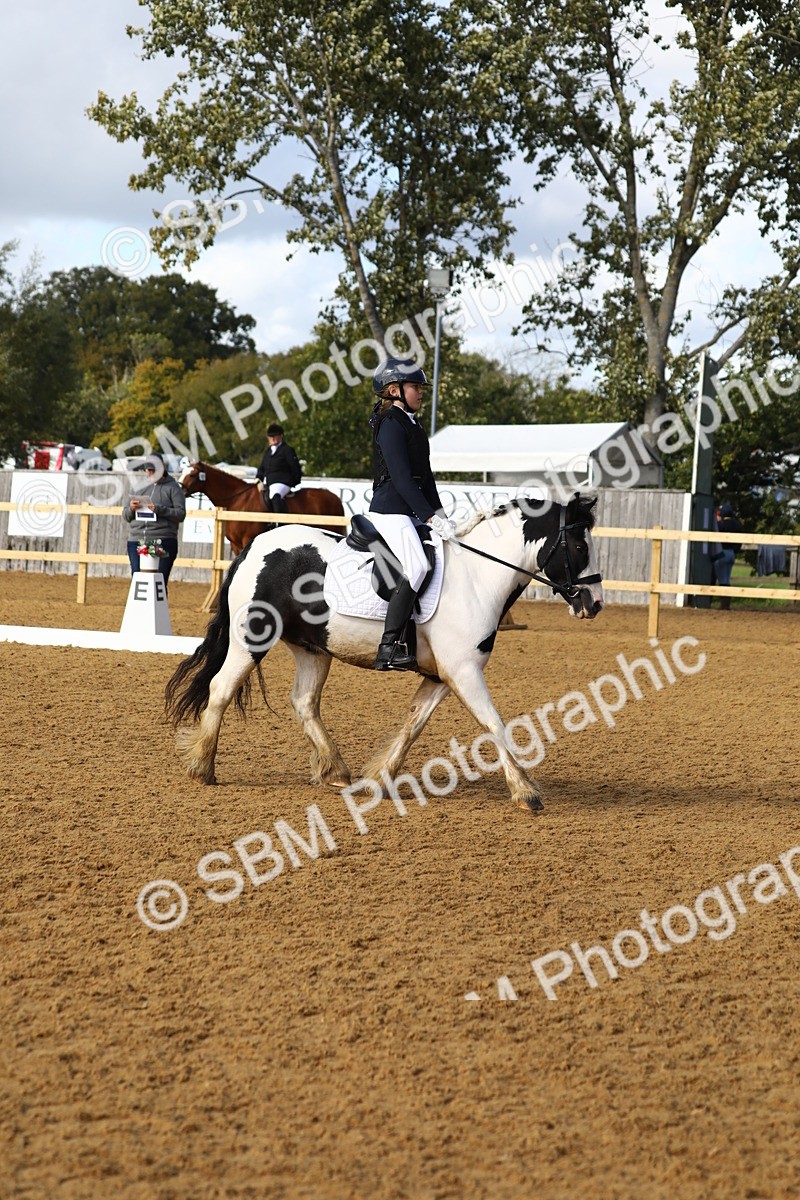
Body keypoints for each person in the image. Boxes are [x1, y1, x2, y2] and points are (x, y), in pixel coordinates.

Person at [367, 356, 455, 671]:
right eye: (415, 386)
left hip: (411, 512)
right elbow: (402, 480)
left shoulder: (413, 425)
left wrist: (441, 516)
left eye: (419, 386)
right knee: (417, 566)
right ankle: (388, 647)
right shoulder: (390, 423)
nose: (420, 391)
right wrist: (429, 517)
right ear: (394, 390)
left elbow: (426, 479)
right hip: (390, 510)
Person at [123, 452, 186, 591]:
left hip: (162, 540)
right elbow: (126, 515)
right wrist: (131, 509)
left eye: (153, 469)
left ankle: (160, 612)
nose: (149, 472)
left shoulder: (173, 488)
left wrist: (160, 510)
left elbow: (180, 514)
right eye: (148, 469)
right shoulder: (138, 487)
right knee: (138, 581)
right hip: (136, 540)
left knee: (159, 584)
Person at [256, 423, 302, 514]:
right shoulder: (268, 451)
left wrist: (293, 481)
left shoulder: (287, 450)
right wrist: (258, 478)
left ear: (281, 436)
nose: (272, 438)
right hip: (268, 482)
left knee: (275, 495)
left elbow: (295, 468)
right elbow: (262, 467)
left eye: (275, 436)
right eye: (270, 436)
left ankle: (279, 523)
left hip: (282, 482)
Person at [712, 501, 744, 610]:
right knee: (726, 578)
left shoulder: (722, 525)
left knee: (722, 579)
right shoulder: (737, 524)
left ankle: (724, 604)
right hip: (732, 553)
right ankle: (726, 604)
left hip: (723, 552)